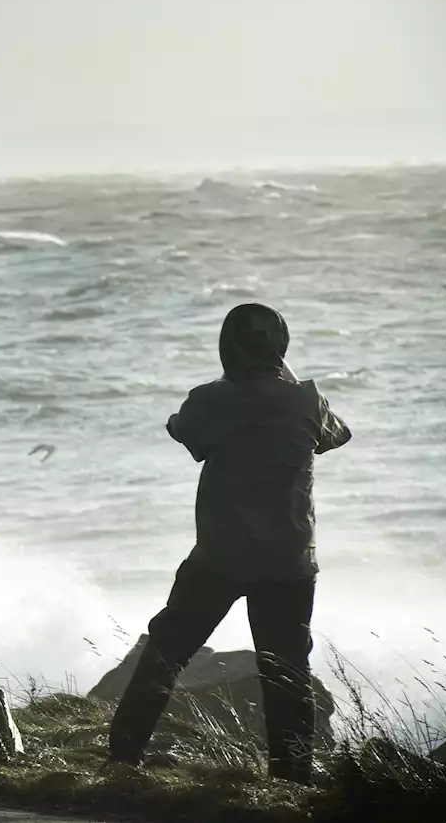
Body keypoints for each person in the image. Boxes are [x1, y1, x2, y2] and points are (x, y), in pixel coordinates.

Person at [107, 302, 352, 784]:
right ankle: (291, 780)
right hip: (289, 561)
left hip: (219, 557)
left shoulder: (212, 400)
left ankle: (122, 759)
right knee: (286, 673)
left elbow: (182, 429)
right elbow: (336, 436)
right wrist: (286, 375)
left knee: (166, 653)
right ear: (281, 348)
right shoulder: (306, 400)